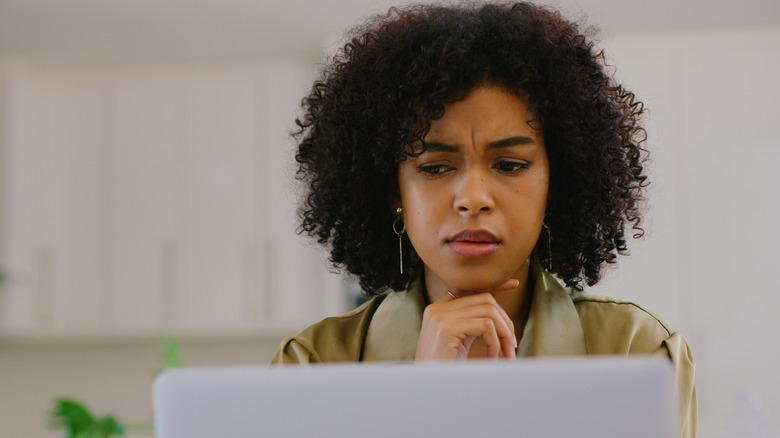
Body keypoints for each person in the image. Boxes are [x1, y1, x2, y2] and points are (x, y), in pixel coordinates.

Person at [271, 2, 696, 437]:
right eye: (435, 168)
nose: (473, 200)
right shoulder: (312, 366)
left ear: (557, 183)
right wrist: (424, 399)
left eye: (510, 164)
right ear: (393, 193)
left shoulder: (636, 355)